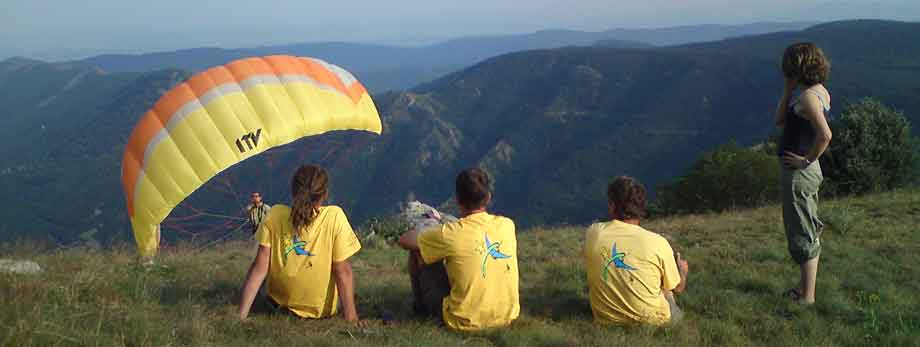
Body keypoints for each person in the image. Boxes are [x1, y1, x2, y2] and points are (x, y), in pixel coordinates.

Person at [397, 168, 520, 331]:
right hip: (506, 316)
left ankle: (421, 309)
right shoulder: (507, 225)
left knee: (420, 250)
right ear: (488, 197)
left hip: (463, 321)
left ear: (457, 200)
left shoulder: (451, 233)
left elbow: (404, 240)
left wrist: (427, 229)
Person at [238, 165, 363, 323]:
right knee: (348, 285)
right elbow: (342, 271)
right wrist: (351, 317)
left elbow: (259, 267)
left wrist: (241, 316)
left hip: (277, 307)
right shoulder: (334, 217)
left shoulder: (274, 214)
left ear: (293, 191)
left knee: (263, 279)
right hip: (321, 312)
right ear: (324, 195)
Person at [584, 176, 689, 326]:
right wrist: (682, 270)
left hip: (606, 320)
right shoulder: (657, 242)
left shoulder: (593, 233)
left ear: (612, 205)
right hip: (654, 323)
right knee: (667, 290)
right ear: (641, 207)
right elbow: (678, 288)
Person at [774, 42, 832, 305]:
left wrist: (806, 160)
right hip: (805, 171)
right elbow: (780, 120)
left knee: (802, 232)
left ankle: (807, 297)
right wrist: (788, 90)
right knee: (806, 226)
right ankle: (804, 289)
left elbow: (825, 135)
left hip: (799, 173)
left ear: (797, 68)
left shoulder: (808, 97)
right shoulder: (816, 92)